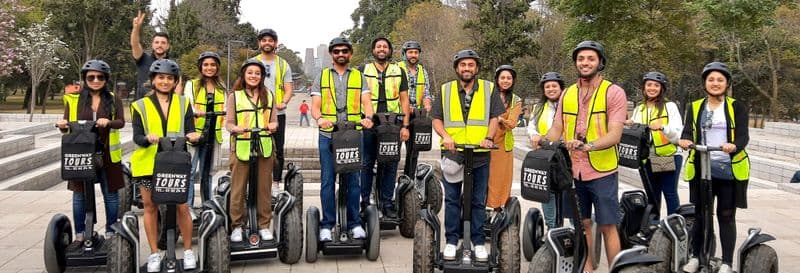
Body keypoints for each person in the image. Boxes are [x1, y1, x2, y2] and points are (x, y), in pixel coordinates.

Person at [539, 40, 627, 272]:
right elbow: (557, 128)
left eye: (590, 59)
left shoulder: (613, 92)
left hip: (602, 170)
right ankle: (587, 269)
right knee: (582, 225)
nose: (585, 63)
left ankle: (616, 269)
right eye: (580, 59)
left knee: (608, 225)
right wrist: (543, 141)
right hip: (573, 170)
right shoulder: (567, 93)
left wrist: (589, 146)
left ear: (600, 62)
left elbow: (615, 134)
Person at [431, 49, 504, 262]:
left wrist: (489, 137)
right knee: (452, 199)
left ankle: (478, 241)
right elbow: (436, 118)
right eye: (463, 65)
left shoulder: (489, 89)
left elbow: (494, 117)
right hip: (453, 154)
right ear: (457, 68)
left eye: (471, 65)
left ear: (476, 68)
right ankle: (452, 241)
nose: (466, 68)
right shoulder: (445, 90)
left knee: (478, 201)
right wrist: (445, 136)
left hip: (479, 154)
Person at [679, 62, 750, 273]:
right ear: (705, 83)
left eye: (720, 80)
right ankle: (696, 256)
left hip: (728, 170)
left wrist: (734, 145)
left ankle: (726, 262)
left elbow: (743, 136)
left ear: (727, 83)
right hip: (702, 168)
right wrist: (685, 140)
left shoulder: (736, 107)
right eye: (711, 79)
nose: (715, 83)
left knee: (726, 215)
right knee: (701, 214)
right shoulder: (695, 106)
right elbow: (687, 132)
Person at [130, 59, 200, 272]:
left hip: (176, 163)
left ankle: (187, 251)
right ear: (153, 80)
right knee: (150, 207)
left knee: (182, 206)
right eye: (161, 77)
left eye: (170, 78)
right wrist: (147, 138)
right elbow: (137, 136)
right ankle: (154, 253)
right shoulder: (140, 105)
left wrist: (194, 136)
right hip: (148, 164)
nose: (165, 81)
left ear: (175, 81)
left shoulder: (183, 103)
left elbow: (189, 129)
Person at [310, 37, 374, 241]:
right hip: (328, 135)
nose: (340, 54)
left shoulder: (359, 77)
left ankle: (355, 223)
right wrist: (319, 119)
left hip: (352, 135)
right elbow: (315, 106)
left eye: (344, 51)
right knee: (328, 180)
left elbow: (367, 102)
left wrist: (368, 118)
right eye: (336, 51)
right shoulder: (321, 76)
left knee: (353, 180)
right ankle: (327, 224)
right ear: (331, 54)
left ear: (350, 54)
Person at [56, 60, 125, 242]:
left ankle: (111, 232)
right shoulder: (74, 100)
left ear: (106, 79)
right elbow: (66, 125)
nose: (95, 80)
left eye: (100, 77)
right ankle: (80, 233)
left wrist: (108, 122)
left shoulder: (113, 99)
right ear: (85, 79)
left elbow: (121, 122)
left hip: (107, 154)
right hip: (80, 153)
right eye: (91, 77)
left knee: (110, 195)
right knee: (79, 194)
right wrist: (63, 125)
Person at [225, 59, 279, 243]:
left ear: (262, 76)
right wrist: (236, 128)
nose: (253, 76)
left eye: (257, 73)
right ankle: (237, 226)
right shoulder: (234, 96)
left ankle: (263, 225)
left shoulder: (269, 95)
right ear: (244, 75)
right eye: (250, 73)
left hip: (264, 146)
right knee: (238, 189)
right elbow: (229, 123)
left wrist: (273, 125)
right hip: (242, 146)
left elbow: (274, 121)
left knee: (264, 188)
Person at [359, 37, 410, 219]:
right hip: (370, 122)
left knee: (390, 163)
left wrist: (405, 125)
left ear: (389, 50)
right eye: (378, 46)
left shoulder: (399, 71)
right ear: (373, 50)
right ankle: (365, 202)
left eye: (385, 47)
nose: (381, 49)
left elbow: (404, 99)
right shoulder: (363, 70)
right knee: (367, 162)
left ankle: (387, 202)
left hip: (392, 124)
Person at [625, 72, 683, 216]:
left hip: (666, 155)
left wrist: (663, 127)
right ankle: (653, 224)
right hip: (647, 157)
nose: (652, 88)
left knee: (669, 193)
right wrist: (630, 125)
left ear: (662, 88)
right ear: (644, 87)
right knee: (652, 194)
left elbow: (678, 134)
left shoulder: (669, 107)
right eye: (649, 85)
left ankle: (674, 224)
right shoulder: (640, 108)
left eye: (656, 85)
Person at [183, 51, 226, 215]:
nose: (209, 68)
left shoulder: (221, 88)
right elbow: (187, 104)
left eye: (213, 65)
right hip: (195, 134)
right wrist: (196, 112)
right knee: (190, 171)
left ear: (217, 67)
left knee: (207, 172)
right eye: (206, 64)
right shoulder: (192, 85)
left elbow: (226, 107)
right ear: (200, 67)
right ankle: (188, 206)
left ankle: (208, 205)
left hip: (213, 134)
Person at [254, 28, 293, 190]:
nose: (267, 43)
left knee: (278, 149)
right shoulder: (252, 62)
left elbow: (289, 89)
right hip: (255, 112)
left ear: (275, 43)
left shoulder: (283, 64)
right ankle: (255, 182)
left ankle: (276, 183)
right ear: (259, 43)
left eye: (270, 40)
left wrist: (284, 101)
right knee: (254, 147)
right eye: (264, 40)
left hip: (277, 113)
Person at [527, 71, 565, 229]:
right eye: (547, 87)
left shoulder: (570, 105)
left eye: (554, 86)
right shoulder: (539, 107)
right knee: (547, 190)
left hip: (566, 154)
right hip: (546, 154)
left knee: (568, 190)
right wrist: (535, 136)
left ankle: (572, 226)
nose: (551, 89)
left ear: (561, 88)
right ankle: (551, 227)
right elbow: (531, 127)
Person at [486, 65, 522, 211]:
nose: (506, 81)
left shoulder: (516, 100)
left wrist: (498, 119)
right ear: (497, 79)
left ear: (513, 81)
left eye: (509, 78)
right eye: (503, 78)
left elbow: (512, 123)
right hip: (485, 140)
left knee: (500, 179)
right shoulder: (488, 95)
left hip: (502, 146)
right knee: (484, 177)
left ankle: (497, 208)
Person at [397, 40, 432, 176]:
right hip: (399, 115)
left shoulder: (422, 71)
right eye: (410, 52)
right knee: (394, 150)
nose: (413, 55)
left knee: (413, 152)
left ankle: (409, 179)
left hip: (416, 116)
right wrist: (406, 107)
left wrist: (427, 104)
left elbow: (426, 92)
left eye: (416, 52)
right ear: (404, 54)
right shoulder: (396, 68)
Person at [131, 10, 171, 101]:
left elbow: (177, 87)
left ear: (168, 46)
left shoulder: (172, 64)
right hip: (143, 105)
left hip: (165, 105)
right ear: (152, 45)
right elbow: (135, 44)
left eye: (163, 43)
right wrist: (136, 29)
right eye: (157, 42)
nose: (159, 45)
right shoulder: (142, 59)